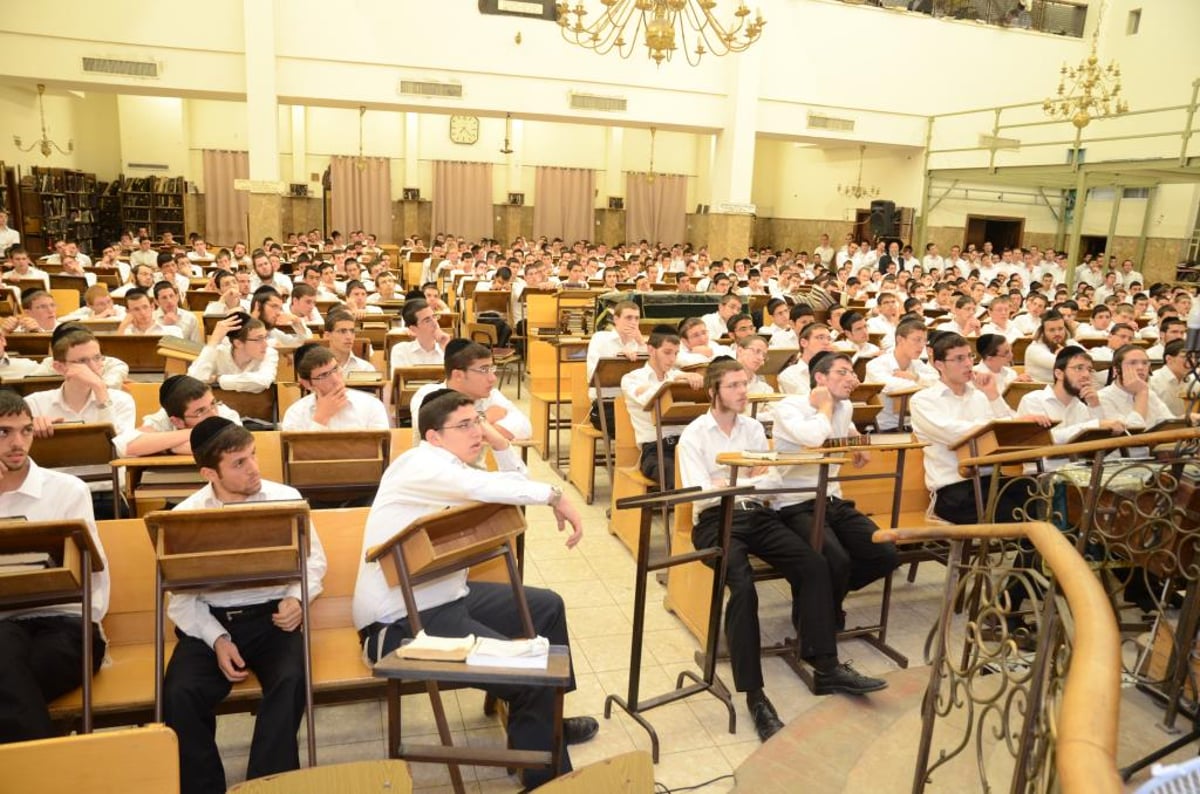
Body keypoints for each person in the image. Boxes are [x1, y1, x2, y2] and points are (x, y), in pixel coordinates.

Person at [352, 389, 597, 789]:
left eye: (478, 421)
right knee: (531, 676)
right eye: (464, 425)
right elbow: (490, 490)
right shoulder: (419, 464)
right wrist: (555, 496)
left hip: (447, 597)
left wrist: (500, 444)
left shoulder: (452, 465)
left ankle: (545, 726)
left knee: (547, 607)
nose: (476, 432)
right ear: (433, 436)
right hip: (399, 622)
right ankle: (549, 781)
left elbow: (509, 485)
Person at [678, 360, 886, 743]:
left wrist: (728, 479)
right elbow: (700, 491)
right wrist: (742, 480)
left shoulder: (754, 428)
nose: (743, 391)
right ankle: (755, 695)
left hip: (757, 515)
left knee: (814, 563)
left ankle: (824, 665)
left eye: (745, 384)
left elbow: (773, 479)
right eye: (733, 385)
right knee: (742, 587)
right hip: (715, 520)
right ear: (713, 391)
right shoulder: (695, 434)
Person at [163, 417, 326, 794]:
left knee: (291, 679)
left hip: (273, 617)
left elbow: (314, 561)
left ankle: (266, 786)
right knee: (180, 693)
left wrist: (296, 599)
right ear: (209, 473)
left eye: (253, 456)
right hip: (212, 622)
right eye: (239, 463)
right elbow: (182, 600)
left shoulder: (285, 497)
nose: (254, 468)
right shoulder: (185, 517)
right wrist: (217, 640)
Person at [0, 390, 108, 744]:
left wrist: (87, 619)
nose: (18, 443)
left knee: (8, 679)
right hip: (4, 625)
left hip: (67, 623)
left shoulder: (66, 490)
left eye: (26, 430)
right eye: (4, 432)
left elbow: (95, 572)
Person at [773, 352, 898, 629]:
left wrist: (858, 443)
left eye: (852, 372)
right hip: (795, 502)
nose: (851, 378)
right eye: (842, 372)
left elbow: (848, 430)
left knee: (885, 553)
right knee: (836, 561)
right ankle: (823, 610)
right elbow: (815, 437)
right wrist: (825, 405)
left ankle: (820, 599)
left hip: (833, 499)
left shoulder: (846, 408)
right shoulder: (788, 407)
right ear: (819, 378)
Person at [910, 332, 1050, 524]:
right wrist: (1003, 425)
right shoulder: (923, 400)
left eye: (970, 356)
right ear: (939, 364)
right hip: (954, 488)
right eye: (959, 358)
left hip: (991, 480)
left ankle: (1032, 554)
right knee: (1021, 516)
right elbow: (956, 434)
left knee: (1044, 499)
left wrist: (993, 394)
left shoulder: (980, 396)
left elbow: (1009, 433)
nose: (968, 363)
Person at [25, 326, 136, 519]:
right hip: (51, 497)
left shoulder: (120, 401)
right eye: (83, 361)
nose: (94, 367)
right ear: (60, 367)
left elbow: (119, 451)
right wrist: (26, 430)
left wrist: (101, 393)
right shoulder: (34, 403)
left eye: (98, 358)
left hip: (105, 495)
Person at [620, 326, 704, 490]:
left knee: (715, 469)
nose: (672, 359)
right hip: (655, 450)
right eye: (667, 352)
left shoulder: (677, 376)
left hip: (685, 444)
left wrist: (692, 377)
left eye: (676, 353)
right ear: (651, 350)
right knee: (679, 479)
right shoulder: (632, 378)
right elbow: (647, 399)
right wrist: (673, 382)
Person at [409, 340, 531, 445]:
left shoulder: (491, 395)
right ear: (458, 375)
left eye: (491, 369)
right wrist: (484, 418)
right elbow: (440, 435)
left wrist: (467, 430)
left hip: (481, 469)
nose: (493, 378)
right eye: (484, 370)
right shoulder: (427, 395)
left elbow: (525, 427)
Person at [114, 374, 242, 458]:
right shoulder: (164, 418)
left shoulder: (225, 413)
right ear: (177, 421)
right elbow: (127, 446)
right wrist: (193, 433)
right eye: (200, 411)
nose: (213, 414)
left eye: (213, 403)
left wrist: (167, 447)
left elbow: (227, 447)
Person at [281, 344, 388, 431]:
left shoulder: (372, 405)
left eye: (335, 369)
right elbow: (298, 455)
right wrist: (320, 419)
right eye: (323, 375)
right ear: (307, 384)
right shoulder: (295, 414)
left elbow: (380, 452)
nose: (336, 380)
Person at [585, 300, 646, 437]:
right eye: (628, 318)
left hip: (633, 402)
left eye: (636, 318)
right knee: (631, 426)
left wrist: (641, 343)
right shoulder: (600, 338)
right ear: (616, 319)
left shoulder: (639, 344)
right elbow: (592, 376)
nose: (633, 322)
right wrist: (618, 359)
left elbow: (650, 374)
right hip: (605, 403)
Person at [187, 312, 279, 393]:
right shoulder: (219, 353)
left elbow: (263, 381)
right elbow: (193, 381)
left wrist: (218, 379)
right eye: (259, 339)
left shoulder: (269, 353)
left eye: (265, 337)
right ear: (238, 343)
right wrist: (214, 341)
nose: (265, 344)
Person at [1099, 344, 1176, 427]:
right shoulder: (1102, 398)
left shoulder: (1150, 394)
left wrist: (1185, 419)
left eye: (1145, 363)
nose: (1140, 367)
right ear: (1116, 370)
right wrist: (1141, 394)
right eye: (1133, 363)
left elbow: (1169, 422)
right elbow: (1130, 433)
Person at [390, 299, 449, 373]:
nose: (434, 323)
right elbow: (398, 383)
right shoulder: (401, 351)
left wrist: (446, 350)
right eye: (427, 320)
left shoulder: (446, 349)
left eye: (434, 317)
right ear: (413, 330)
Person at [778, 323, 835, 396]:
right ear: (804, 343)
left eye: (829, 339)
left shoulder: (834, 372)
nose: (827, 342)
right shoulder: (789, 374)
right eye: (820, 338)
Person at [322, 310, 376, 376]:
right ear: (327, 336)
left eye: (352, 331)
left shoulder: (365, 369)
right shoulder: (315, 368)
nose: (349, 336)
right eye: (342, 331)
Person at [118, 288, 185, 337]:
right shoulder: (124, 333)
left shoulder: (173, 332)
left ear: (152, 307)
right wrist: (123, 326)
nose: (142, 313)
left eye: (145, 307)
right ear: (128, 312)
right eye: (136, 309)